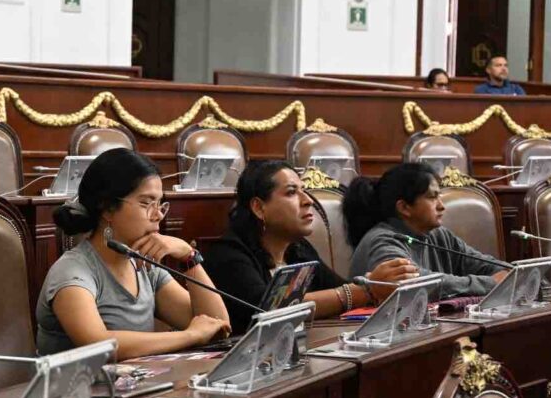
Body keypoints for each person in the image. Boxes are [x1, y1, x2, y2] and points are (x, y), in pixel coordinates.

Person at [36, 148, 230, 360]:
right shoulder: (72, 272)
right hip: (76, 391)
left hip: (134, 389)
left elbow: (216, 326)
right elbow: (99, 345)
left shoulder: (145, 266)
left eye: (160, 204)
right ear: (108, 208)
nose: (158, 215)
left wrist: (189, 256)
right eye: (146, 203)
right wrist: (191, 335)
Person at [204, 161, 418, 326]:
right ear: (259, 208)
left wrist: (374, 284)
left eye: (303, 190)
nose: (307, 200)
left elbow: (339, 288)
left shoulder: (299, 250)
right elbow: (268, 310)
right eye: (291, 192)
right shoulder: (228, 256)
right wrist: (364, 291)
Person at [344, 162, 508, 299]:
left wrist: (508, 274)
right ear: (404, 207)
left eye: (440, 196)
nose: (441, 206)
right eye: (432, 197)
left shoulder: (437, 234)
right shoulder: (382, 241)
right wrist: (490, 284)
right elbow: (413, 284)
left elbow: (485, 265)